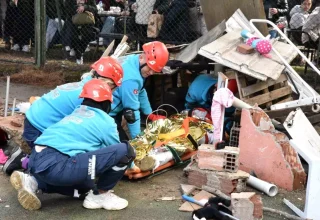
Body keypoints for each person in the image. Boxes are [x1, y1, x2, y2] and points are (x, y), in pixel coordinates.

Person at [10, 79, 136, 211]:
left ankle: (33, 182)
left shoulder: (75, 113)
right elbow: (115, 153)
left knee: (86, 187)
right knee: (127, 150)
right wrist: (132, 165)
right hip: (57, 165)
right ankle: (101, 195)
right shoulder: (106, 122)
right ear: (107, 102)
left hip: (36, 158)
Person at [3, 57, 123, 175]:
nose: (114, 92)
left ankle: (29, 157)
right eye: (115, 88)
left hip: (34, 122)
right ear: (107, 84)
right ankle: (25, 161)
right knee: (70, 163)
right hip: (38, 130)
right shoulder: (89, 97)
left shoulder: (85, 84)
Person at [110, 41, 169, 140]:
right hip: (105, 112)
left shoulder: (135, 61)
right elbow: (131, 112)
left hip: (111, 106)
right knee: (124, 149)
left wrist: (150, 114)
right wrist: (138, 139)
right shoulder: (130, 79)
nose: (151, 73)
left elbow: (141, 91)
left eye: (154, 70)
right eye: (150, 68)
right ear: (142, 57)